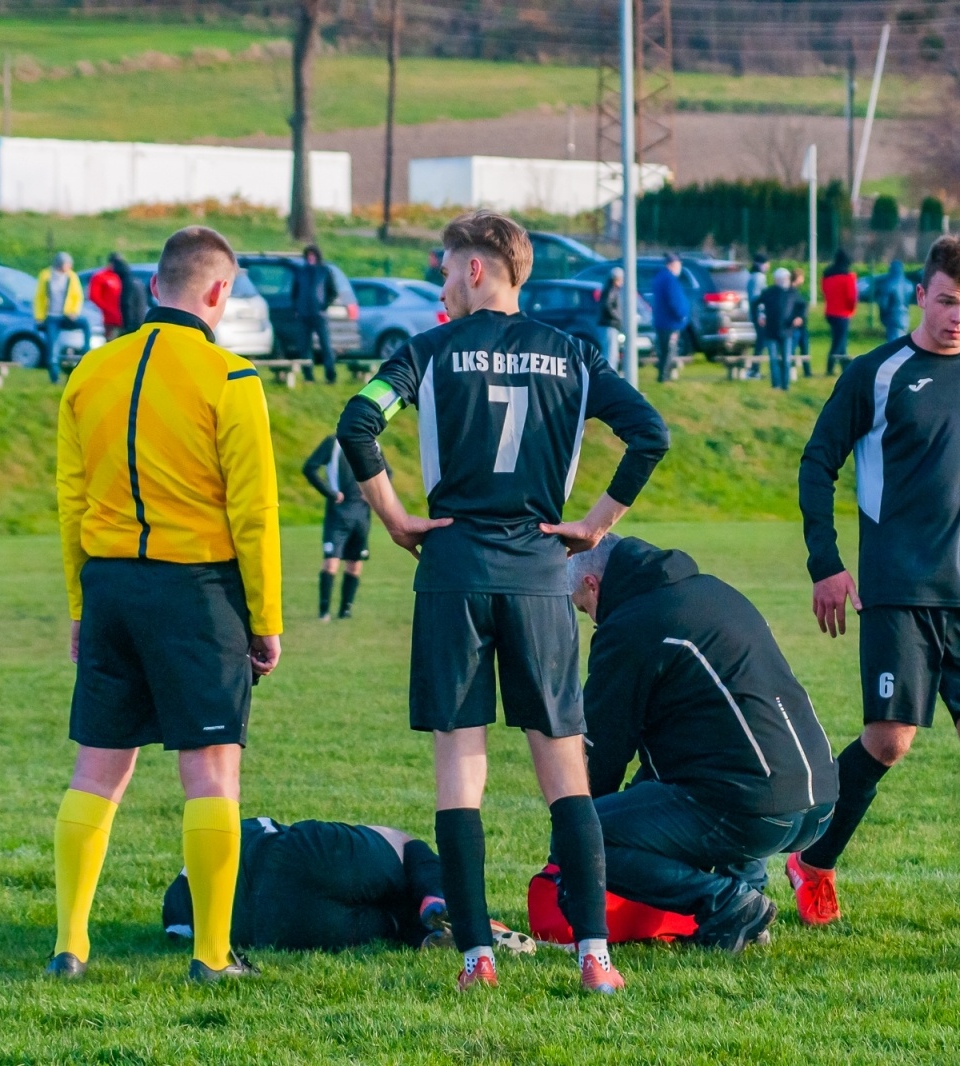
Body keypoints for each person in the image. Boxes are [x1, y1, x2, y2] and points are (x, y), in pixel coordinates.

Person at [336, 209, 670, 994]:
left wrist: (394, 518)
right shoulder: (576, 355)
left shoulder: (425, 350)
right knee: (564, 767)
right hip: (539, 574)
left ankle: (477, 956)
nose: (441, 283)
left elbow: (359, 423)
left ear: (478, 269)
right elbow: (650, 434)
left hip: (452, 570)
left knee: (461, 766)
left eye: (447, 268)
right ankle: (596, 957)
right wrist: (595, 524)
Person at [49, 225, 283, 984]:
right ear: (219, 292)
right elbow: (255, 511)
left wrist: (80, 599)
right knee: (211, 775)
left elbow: (71, 498)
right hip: (197, 590)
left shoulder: (89, 372)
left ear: (154, 285)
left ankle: (70, 946)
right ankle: (212, 956)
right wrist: (266, 617)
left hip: (112, 585)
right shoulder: (232, 380)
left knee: (96, 772)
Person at [793, 235, 960, 933]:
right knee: (889, 739)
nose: (957, 318)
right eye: (945, 302)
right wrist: (827, 564)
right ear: (919, 295)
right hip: (896, 588)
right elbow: (818, 464)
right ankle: (813, 861)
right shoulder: (877, 373)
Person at [563, 534, 838, 953]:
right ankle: (748, 901)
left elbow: (603, 748)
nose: (593, 620)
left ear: (592, 584)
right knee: (733, 761)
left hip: (757, 810)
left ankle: (727, 901)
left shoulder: (629, 626)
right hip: (819, 801)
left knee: (579, 835)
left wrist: (582, 837)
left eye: (585, 609)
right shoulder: (714, 591)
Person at [159, 817, 534, 954]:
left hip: (274, 929)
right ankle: (435, 898)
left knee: (386, 925)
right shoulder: (227, 829)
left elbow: (178, 935)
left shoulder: (174, 903)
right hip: (298, 854)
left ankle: (422, 935)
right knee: (402, 843)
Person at [302, 432, 384, 620]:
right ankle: (324, 612)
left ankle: (345, 611)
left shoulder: (373, 444)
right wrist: (331, 493)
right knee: (332, 561)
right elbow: (310, 468)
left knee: (355, 564)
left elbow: (387, 473)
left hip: (362, 516)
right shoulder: (333, 442)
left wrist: (374, 494)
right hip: (338, 514)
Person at [34, 252, 90, 385]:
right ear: (60, 264)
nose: (70, 266)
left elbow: (77, 296)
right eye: (67, 264)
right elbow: (39, 297)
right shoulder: (46, 276)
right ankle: (54, 376)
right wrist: (39, 317)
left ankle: (86, 350)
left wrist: (74, 312)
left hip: (67, 315)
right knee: (52, 346)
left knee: (85, 324)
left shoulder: (72, 277)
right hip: (52, 317)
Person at [293, 244, 339, 384]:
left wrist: (324, 306)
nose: (310, 258)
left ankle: (330, 376)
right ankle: (308, 376)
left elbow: (333, 291)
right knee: (305, 347)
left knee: (326, 345)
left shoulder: (325, 271)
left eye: (313, 255)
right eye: (308, 256)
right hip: (304, 314)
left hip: (319, 315)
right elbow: (294, 292)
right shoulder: (301, 272)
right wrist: (297, 308)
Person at [757, 267, 805, 390]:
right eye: (780, 279)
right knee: (773, 360)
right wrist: (761, 316)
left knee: (786, 360)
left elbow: (802, 306)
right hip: (771, 331)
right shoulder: (769, 292)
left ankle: (785, 385)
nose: (783, 281)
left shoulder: (793, 293)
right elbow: (758, 304)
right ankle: (776, 385)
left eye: (785, 278)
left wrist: (799, 317)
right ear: (775, 280)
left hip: (787, 330)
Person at [650, 254, 691, 384]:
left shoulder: (659, 277)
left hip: (660, 321)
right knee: (669, 350)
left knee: (663, 349)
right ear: (673, 265)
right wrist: (682, 315)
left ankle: (662, 374)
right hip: (671, 322)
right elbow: (674, 301)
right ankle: (664, 376)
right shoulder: (670, 279)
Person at [822, 248, 858, 376]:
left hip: (830, 312)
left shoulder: (827, 275)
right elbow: (851, 297)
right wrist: (852, 309)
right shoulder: (848, 276)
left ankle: (844, 367)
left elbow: (824, 292)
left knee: (839, 340)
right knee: (839, 342)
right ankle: (830, 367)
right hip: (843, 313)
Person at [87, 255, 124, 339]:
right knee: (111, 341)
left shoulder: (119, 275)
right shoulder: (101, 276)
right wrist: (107, 309)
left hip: (121, 317)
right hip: (108, 318)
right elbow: (94, 296)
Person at [875, 259, 912, 343]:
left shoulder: (889, 284)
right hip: (905, 316)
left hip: (892, 316)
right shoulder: (908, 284)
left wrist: (882, 315)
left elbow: (883, 303)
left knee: (894, 345)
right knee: (902, 343)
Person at [597, 266, 625, 371]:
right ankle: (609, 376)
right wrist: (618, 318)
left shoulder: (608, 288)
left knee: (609, 353)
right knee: (610, 354)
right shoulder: (612, 289)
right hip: (609, 325)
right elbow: (608, 306)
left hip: (607, 325)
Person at [115, 253, 148, 339]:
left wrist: (126, 325)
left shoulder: (127, 283)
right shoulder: (137, 281)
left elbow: (126, 304)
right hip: (141, 320)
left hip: (132, 324)